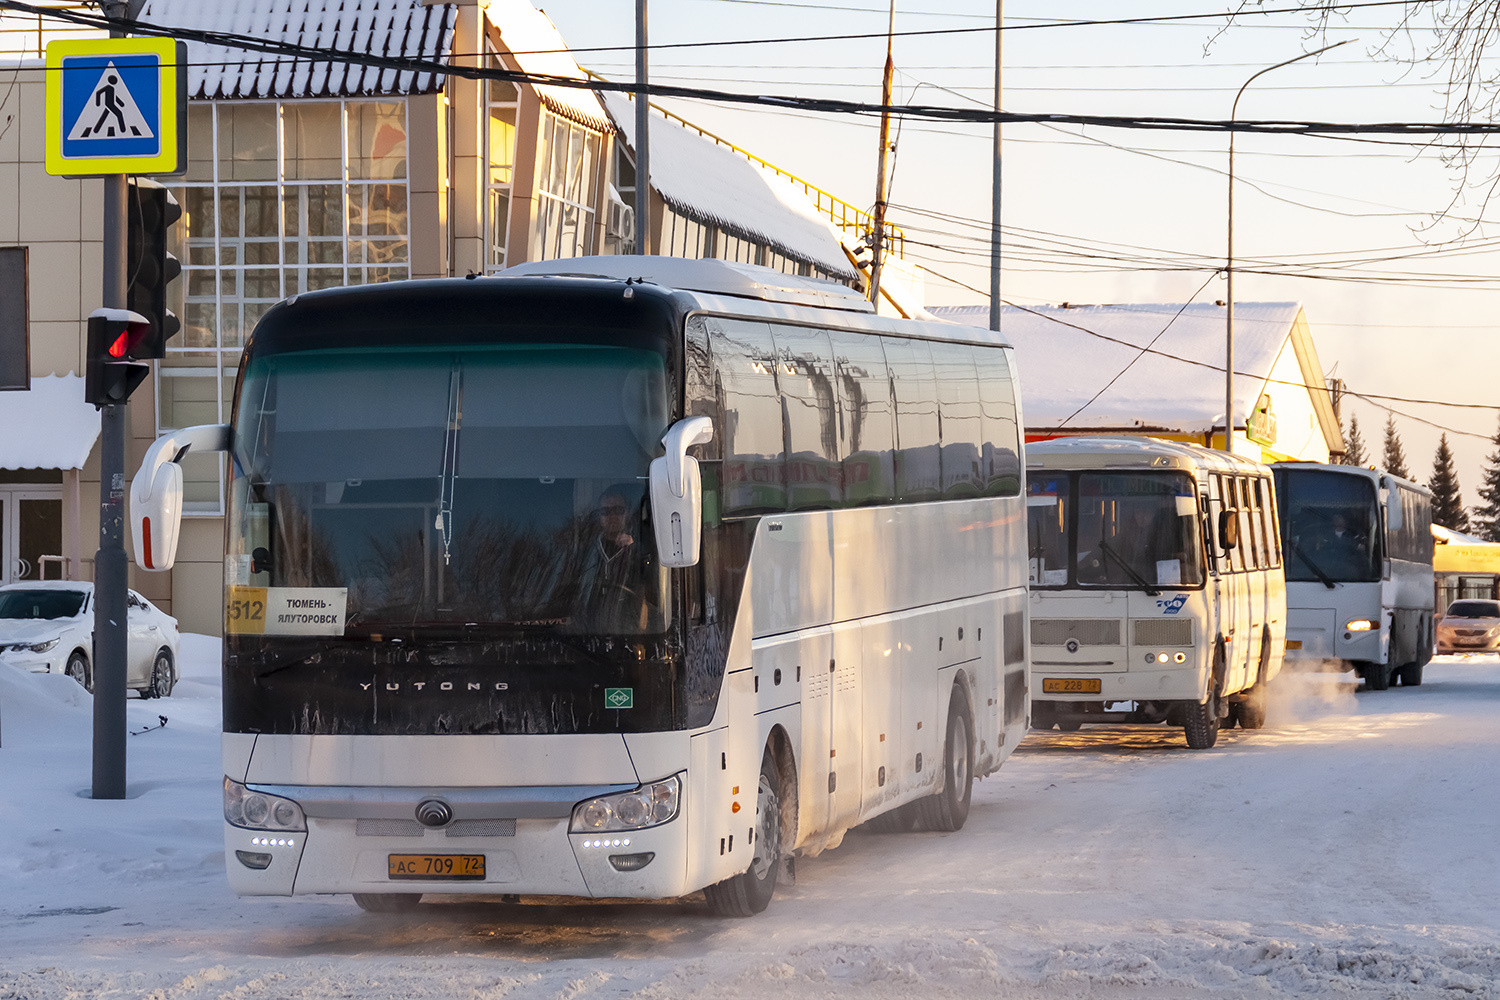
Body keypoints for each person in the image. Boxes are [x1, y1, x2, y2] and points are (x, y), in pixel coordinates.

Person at [574, 486, 658, 633]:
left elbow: (653, 590)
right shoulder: (587, 552)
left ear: (627, 514)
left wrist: (634, 552)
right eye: (606, 512)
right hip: (589, 633)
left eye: (618, 511)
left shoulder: (641, 549)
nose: (612, 516)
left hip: (629, 632)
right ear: (599, 516)